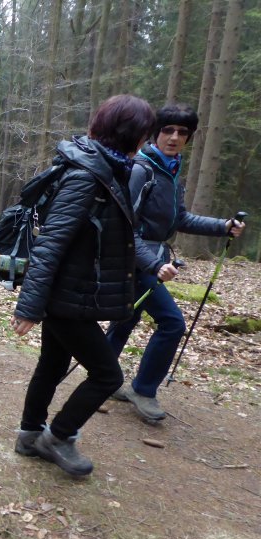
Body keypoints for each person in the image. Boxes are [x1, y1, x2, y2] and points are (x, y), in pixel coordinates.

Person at [11, 94, 156, 477]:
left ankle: (29, 435)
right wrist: (28, 306)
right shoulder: (86, 176)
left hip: (72, 292)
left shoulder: (108, 171)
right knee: (108, 376)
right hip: (66, 297)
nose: (147, 141)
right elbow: (50, 243)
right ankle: (58, 437)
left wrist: (153, 264)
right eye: (145, 133)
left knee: (53, 363)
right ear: (131, 135)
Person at [106, 104, 246, 422]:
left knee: (126, 319)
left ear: (189, 138)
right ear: (155, 134)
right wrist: (152, 265)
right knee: (172, 323)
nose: (174, 137)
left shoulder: (170, 169)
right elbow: (124, 225)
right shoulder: (142, 169)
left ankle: (103, 377)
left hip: (151, 259)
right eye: (168, 130)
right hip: (134, 258)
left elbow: (179, 218)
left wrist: (221, 226)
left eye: (182, 132)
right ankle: (141, 389)